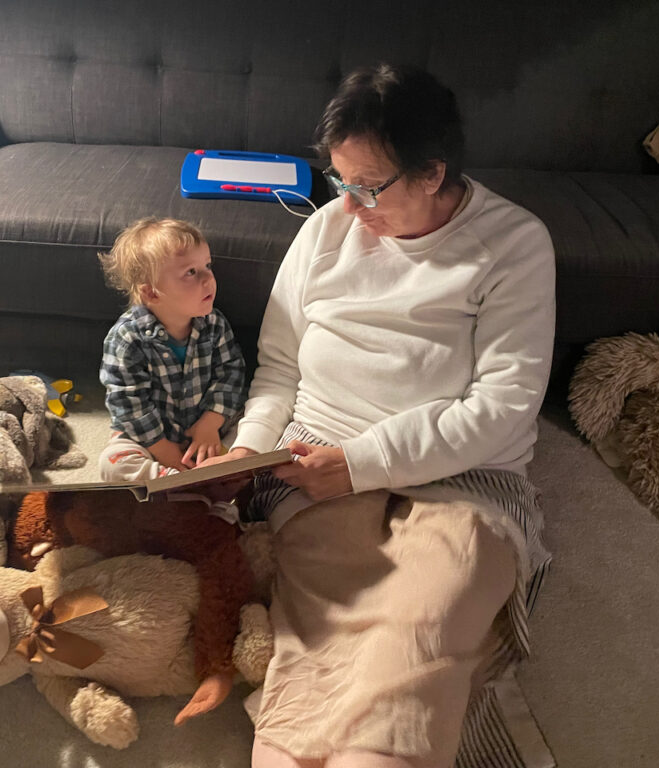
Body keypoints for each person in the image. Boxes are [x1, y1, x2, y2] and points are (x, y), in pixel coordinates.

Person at [201, 64, 556, 768]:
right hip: (314, 460)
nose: (349, 204)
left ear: (432, 173)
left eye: (368, 186)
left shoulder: (514, 243)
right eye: (339, 180)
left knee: (426, 618)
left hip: (464, 477)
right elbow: (280, 366)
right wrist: (247, 451)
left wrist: (366, 464)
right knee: (320, 634)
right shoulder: (327, 229)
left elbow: (503, 405)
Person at [98, 217, 246, 481]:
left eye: (207, 265)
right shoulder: (126, 339)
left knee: (253, 435)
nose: (209, 278)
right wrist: (163, 450)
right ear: (152, 294)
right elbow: (128, 404)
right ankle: (177, 482)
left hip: (208, 429)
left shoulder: (214, 324)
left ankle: (204, 480)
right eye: (191, 272)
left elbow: (231, 374)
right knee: (113, 464)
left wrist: (210, 423)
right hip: (150, 439)